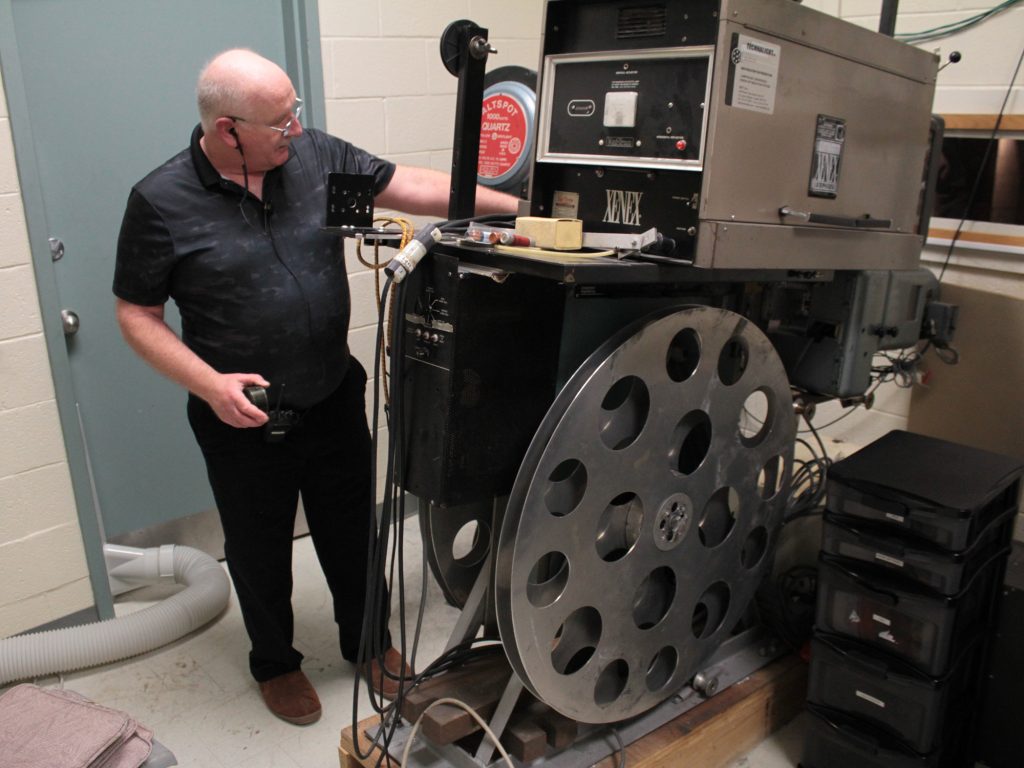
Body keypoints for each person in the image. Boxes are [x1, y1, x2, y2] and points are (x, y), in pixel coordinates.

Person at [112, 48, 517, 726]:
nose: (296, 128)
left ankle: (371, 646)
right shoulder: (161, 201)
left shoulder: (315, 161)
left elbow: (408, 186)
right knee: (259, 548)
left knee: (354, 532)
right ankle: (275, 663)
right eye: (280, 121)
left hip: (331, 395)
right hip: (241, 415)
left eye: (296, 111)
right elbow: (136, 313)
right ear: (226, 131)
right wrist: (210, 384)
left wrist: (524, 206)